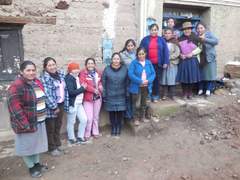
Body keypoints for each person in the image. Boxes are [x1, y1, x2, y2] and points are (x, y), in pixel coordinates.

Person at [7, 61, 48, 178]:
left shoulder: (35, 82)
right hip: (27, 124)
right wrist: (25, 125)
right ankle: (31, 167)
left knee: (36, 145)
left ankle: (37, 164)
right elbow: (14, 108)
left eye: (33, 70)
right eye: (28, 70)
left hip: (38, 121)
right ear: (21, 72)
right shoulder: (16, 86)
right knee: (27, 147)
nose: (31, 73)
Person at [40, 57, 69, 156]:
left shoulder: (60, 75)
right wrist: (54, 107)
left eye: (53, 64)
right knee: (51, 128)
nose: (52, 67)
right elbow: (46, 94)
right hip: (51, 107)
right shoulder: (45, 78)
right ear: (45, 67)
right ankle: (51, 148)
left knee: (58, 126)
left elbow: (64, 89)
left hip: (60, 104)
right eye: (49, 65)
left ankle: (57, 145)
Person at [140, 23, 169, 102]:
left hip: (158, 64)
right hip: (148, 64)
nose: (154, 31)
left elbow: (166, 51)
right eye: (152, 30)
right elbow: (141, 51)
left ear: (157, 30)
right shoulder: (145, 39)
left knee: (157, 80)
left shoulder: (161, 40)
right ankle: (148, 96)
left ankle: (155, 95)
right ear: (149, 30)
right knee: (148, 79)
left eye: (155, 30)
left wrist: (166, 62)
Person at [102, 53, 128, 137]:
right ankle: (113, 127)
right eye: (114, 59)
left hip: (121, 95)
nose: (116, 60)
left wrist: (127, 93)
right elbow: (104, 82)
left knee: (120, 113)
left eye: (117, 59)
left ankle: (118, 127)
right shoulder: (107, 69)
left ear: (120, 60)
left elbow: (127, 82)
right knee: (112, 113)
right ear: (111, 60)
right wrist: (104, 94)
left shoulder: (124, 69)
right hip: (110, 95)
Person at [128, 47, 156, 125]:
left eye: (142, 54)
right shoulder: (134, 63)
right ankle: (136, 118)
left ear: (145, 54)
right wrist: (140, 81)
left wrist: (148, 80)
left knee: (144, 103)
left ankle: (142, 117)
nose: (141, 56)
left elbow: (153, 73)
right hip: (136, 87)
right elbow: (130, 74)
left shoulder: (148, 62)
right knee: (136, 104)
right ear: (137, 55)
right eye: (139, 54)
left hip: (146, 86)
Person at [65, 62, 88, 145]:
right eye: (74, 69)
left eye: (77, 68)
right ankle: (71, 138)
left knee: (84, 119)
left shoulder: (76, 77)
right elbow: (71, 92)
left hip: (79, 103)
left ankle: (80, 136)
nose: (77, 70)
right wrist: (82, 88)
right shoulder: (69, 78)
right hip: (73, 103)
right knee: (71, 121)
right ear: (70, 70)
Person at [176, 21, 201, 99]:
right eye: (185, 29)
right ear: (183, 30)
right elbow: (177, 50)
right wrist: (180, 55)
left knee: (192, 77)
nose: (187, 30)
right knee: (184, 78)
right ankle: (184, 93)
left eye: (189, 29)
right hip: (183, 60)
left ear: (191, 29)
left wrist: (192, 53)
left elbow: (200, 48)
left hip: (193, 60)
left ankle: (190, 93)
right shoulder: (179, 39)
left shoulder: (196, 38)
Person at [79, 58, 103, 140]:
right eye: (88, 63)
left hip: (97, 98)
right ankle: (87, 133)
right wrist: (93, 90)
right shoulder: (83, 73)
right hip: (88, 98)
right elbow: (83, 83)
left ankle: (95, 132)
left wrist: (100, 86)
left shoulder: (98, 73)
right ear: (86, 65)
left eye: (92, 63)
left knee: (96, 117)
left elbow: (100, 82)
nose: (90, 65)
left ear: (94, 64)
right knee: (89, 118)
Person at [196, 22, 219, 96]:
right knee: (201, 74)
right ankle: (200, 89)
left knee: (210, 74)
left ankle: (208, 90)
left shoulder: (209, 34)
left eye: (201, 28)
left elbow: (216, 41)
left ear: (204, 28)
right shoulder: (196, 36)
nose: (199, 30)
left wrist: (205, 39)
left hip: (209, 58)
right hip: (200, 58)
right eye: (198, 28)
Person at [161, 28, 180, 100]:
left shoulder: (175, 42)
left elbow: (177, 52)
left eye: (169, 33)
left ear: (172, 34)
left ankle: (172, 94)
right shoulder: (162, 41)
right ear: (164, 34)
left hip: (172, 63)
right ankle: (164, 94)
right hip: (164, 63)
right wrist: (164, 59)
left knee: (172, 78)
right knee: (164, 79)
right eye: (166, 33)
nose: (167, 35)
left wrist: (169, 57)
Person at [120, 39, 136, 120]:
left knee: (134, 97)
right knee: (127, 96)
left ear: (134, 46)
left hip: (135, 78)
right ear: (126, 46)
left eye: (131, 45)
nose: (130, 47)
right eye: (128, 45)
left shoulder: (137, 54)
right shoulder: (122, 55)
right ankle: (128, 115)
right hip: (127, 78)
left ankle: (133, 114)